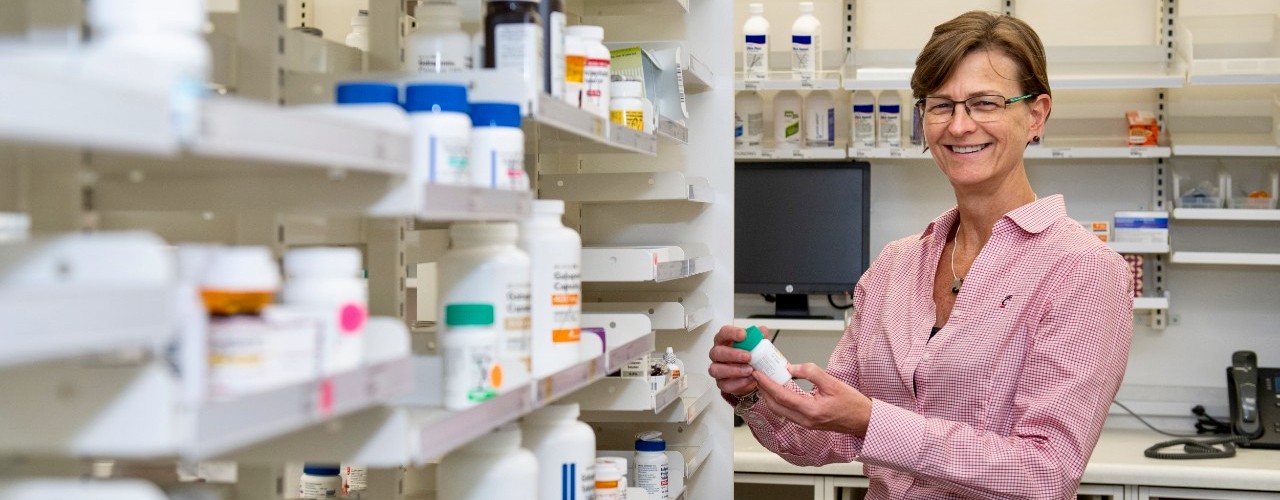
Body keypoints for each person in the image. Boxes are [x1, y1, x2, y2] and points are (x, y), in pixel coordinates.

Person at [710, 11, 1133, 499]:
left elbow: (1045, 473)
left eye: (984, 103)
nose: (959, 125)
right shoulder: (897, 265)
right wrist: (755, 390)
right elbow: (823, 435)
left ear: (1035, 115)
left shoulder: (1083, 270)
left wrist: (874, 422)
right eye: (940, 105)